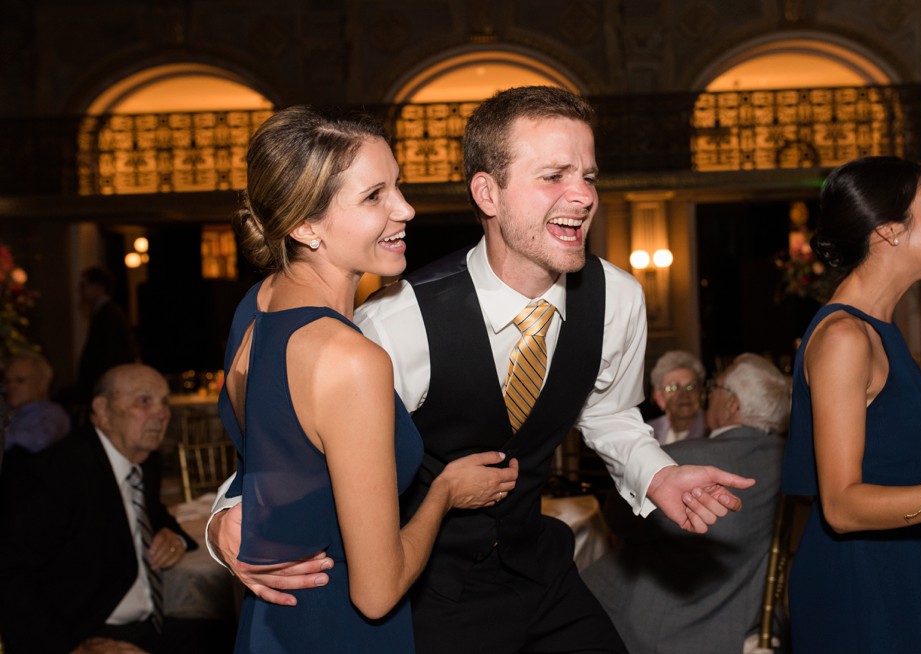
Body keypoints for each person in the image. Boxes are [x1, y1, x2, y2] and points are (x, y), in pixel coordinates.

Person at [210, 86, 754, 654]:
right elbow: (293, 431)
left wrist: (657, 475)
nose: (582, 196)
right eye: (554, 176)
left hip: (539, 568)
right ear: (487, 193)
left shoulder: (617, 298)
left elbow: (610, 414)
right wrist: (230, 512)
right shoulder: (395, 319)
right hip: (431, 591)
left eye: (588, 177)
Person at [217, 106, 518, 652]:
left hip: (270, 629)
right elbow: (376, 594)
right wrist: (444, 494)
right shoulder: (350, 360)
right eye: (373, 196)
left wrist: (222, 523)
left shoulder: (255, 308)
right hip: (337, 633)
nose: (405, 208)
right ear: (304, 226)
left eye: (396, 186)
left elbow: (267, 461)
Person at [781, 156, 921, 653]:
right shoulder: (845, 337)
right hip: (858, 585)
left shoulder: (879, 332)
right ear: (889, 231)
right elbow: (843, 506)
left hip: (901, 567)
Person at [584, 353, 789, 653]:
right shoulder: (788, 460)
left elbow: (618, 516)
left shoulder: (683, 461)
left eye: (713, 388)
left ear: (732, 404)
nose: (707, 396)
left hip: (660, 623)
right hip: (744, 617)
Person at [0, 364, 204, 654]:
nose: (161, 414)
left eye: (165, 402)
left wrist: (173, 535)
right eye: (144, 401)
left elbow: (154, 512)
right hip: (86, 632)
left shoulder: (144, 461)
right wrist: (71, 648)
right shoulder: (56, 473)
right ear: (103, 410)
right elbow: (10, 573)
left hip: (151, 626)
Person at [76, 266, 139, 404]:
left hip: (109, 389)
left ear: (98, 286)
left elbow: (112, 355)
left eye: (84, 285)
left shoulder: (109, 314)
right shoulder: (102, 313)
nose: (81, 291)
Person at [3, 351, 70, 453]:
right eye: (7, 381)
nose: (11, 386)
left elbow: (39, 441)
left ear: (42, 383)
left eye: (19, 380)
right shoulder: (6, 411)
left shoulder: (53, 415)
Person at [646, 349, 708, 444]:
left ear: (701, 393)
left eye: (691, 386)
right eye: (674, 387)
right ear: (659, 397)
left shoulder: (712, 429)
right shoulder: (648, 432)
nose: (684, 394)